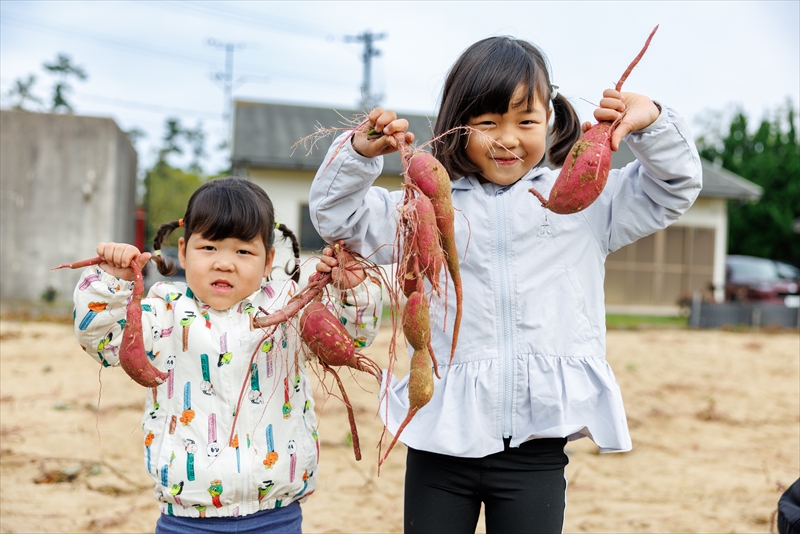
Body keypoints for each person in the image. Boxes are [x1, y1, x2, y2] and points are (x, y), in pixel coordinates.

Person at [309, 36, 702, 532]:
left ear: (551, 121)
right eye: (488, 123)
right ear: (457, 125)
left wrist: (653, 123)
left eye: (526, 121)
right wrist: (358, 153)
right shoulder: (420, 204)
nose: (507, 138)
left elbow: (675, 187)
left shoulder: (583, 200)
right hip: (440, 442)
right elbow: (336, 217)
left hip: (535, 448)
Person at [72, 177, 383, 534]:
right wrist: (111, 283)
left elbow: (349, 338)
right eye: (209, 248)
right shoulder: (163, 311)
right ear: (184, 251)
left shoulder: (293, 308)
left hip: (276, 513)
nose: (224, 263)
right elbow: (105, 341)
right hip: (187, 517)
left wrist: (352, 290)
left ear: (268, 261)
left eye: (243, 252)